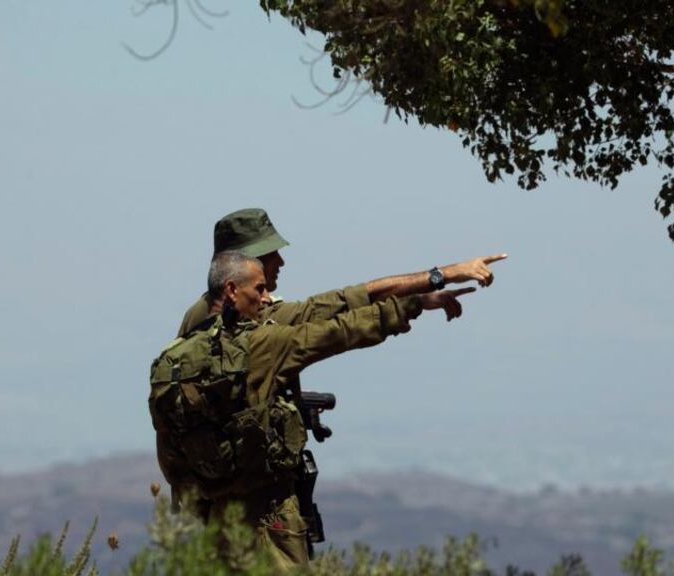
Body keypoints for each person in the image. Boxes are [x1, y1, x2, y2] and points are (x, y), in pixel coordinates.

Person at [150, 252, 480, 570]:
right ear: (232, 290)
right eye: (260, 289)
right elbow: (339, 332)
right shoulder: (261, 344)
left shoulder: (175, 358)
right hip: (269, 514)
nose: (267, 298)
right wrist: (413, 305)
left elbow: (169, 447)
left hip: (215, 518)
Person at [177, 208, 507, 336]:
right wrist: (444, 274)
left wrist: (421, 297)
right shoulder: (220, 322)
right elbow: (345, 305)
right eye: (269, 255)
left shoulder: (217, 314)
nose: (280, 263)